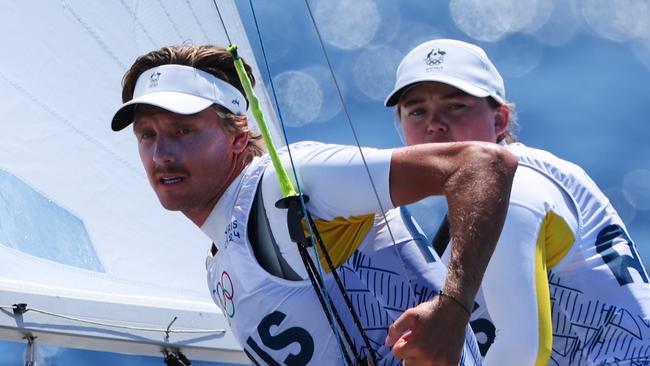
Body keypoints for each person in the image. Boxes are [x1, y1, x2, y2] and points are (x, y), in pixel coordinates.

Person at [110, 44, 518, 366]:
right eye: (147, 135)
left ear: (238, 136)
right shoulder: (220, 266)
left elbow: (483, 164)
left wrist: (454, 307)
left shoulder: (289, 180)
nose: (162, 153)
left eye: (184, 130)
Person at [384, 38, 650, 365]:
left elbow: (523, 350)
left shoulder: (515, 189)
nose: (434, 124)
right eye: (417, 111)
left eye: (456, 106)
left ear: (500, 121)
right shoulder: (501, 192)